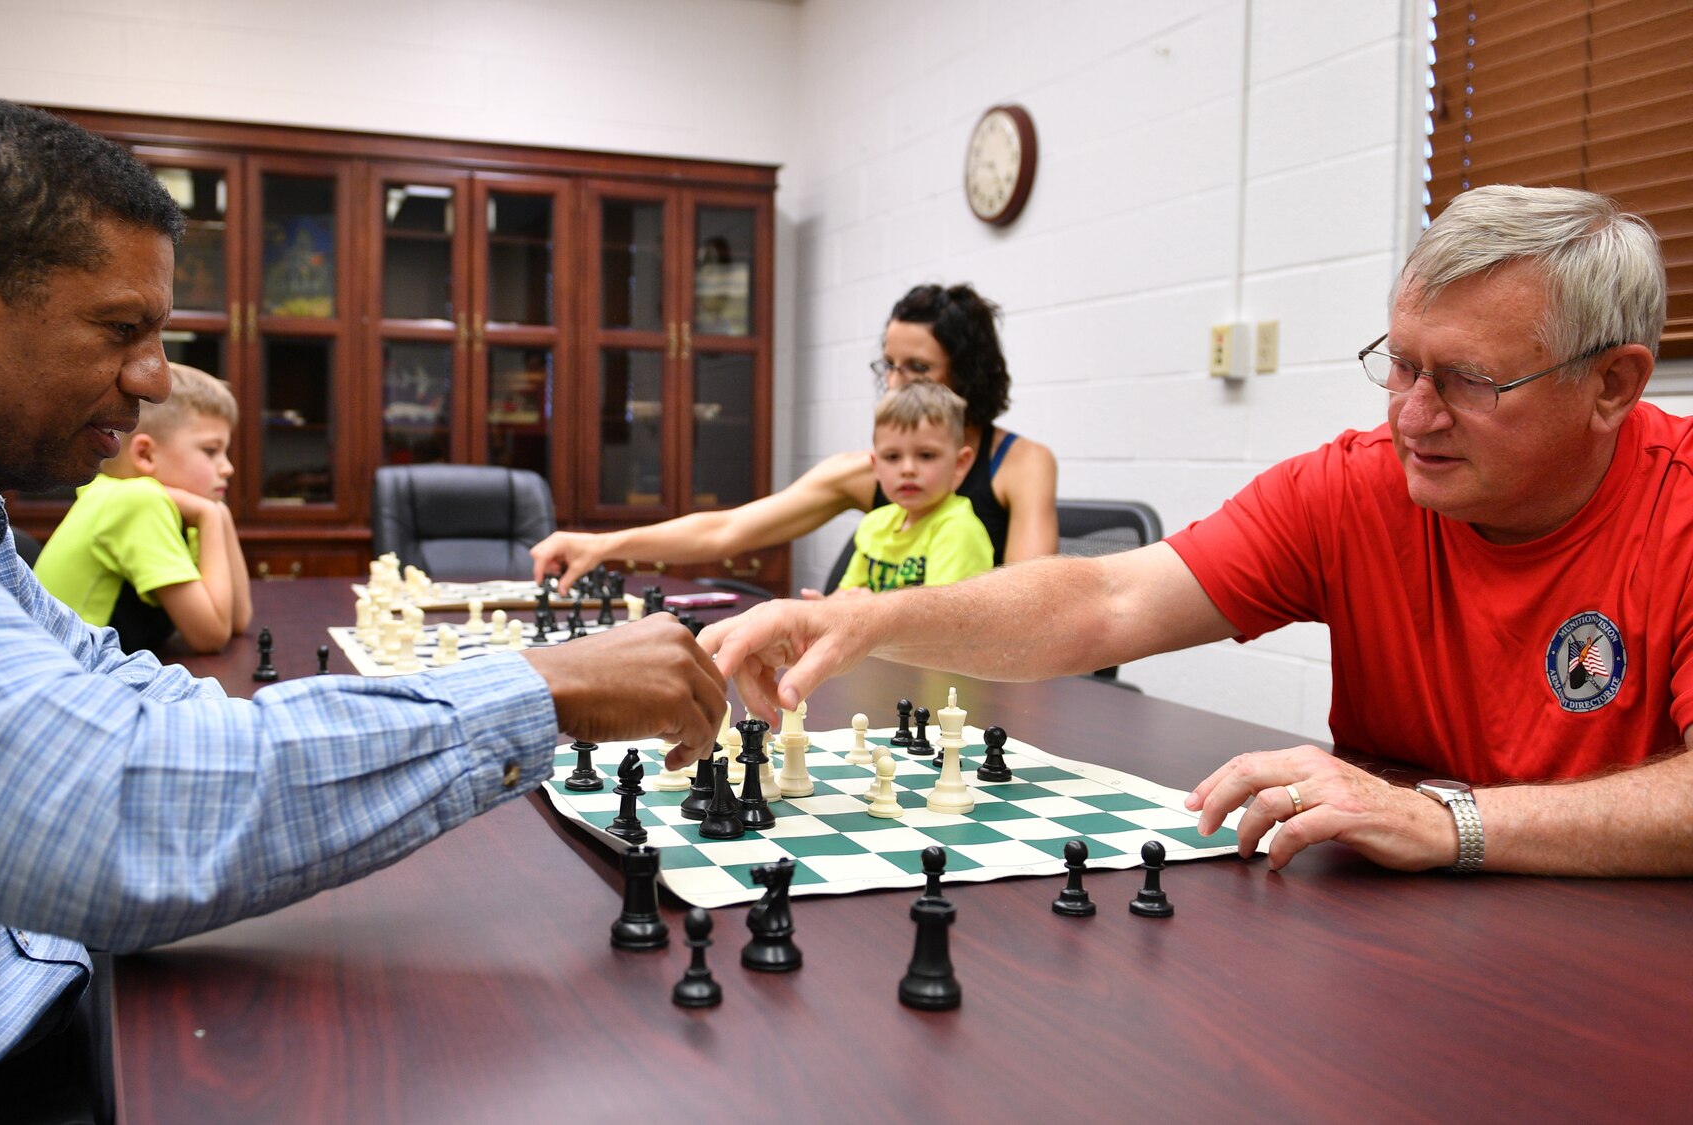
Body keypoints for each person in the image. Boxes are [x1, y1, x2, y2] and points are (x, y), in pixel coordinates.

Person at [0, 99, 723, 1122]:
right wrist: (539, 692)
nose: (151, 378)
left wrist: (507, 690)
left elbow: (121, 696)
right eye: (121, 330)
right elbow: (108, 815)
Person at [702, 184, 1691, 879]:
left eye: (1467, 380)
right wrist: (871, 623)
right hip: (1397, 930)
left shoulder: (1679, 507)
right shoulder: (1353, 487)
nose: (1412, 414)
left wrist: (1453, 820)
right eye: (1398, 364)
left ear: (1610, 384)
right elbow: (1106, 599)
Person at [530, 283, 1057, 593]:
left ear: (967, 373)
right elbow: (728, 530)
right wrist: (603, 545)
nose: (894, 384)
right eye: (889, 366)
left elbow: (1035, 600)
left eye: (917, 368)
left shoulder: (1021, 463)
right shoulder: (864, 470)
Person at [35, 362, 253, 654]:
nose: (227, 468)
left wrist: (218, 514)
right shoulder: (136, 503)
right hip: (70, 675)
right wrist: (211, 516)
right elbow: (211, 636)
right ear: (146, 454)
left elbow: (238, 620)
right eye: (210, 451)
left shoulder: (126, 496)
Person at [835, 380, 993, 594]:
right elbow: (845, 594)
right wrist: (824, 607)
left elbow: (937, 619)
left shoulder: (958, 531)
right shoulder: (874, 524)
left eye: (926, 455)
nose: (907, 469)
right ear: (876, 467)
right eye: (892, 457)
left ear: (960, 464)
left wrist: (865, 607)